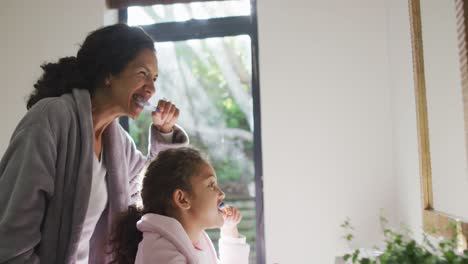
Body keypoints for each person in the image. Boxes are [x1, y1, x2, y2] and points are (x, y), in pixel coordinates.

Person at [0, 24, 188, 263]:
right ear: (108, 73)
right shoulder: (50, 119)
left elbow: (153, 190)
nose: (151, 89)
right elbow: (11, 243)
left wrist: (165, 133)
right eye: (142, 74)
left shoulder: (117, 143)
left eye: (154, 78)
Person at [109, 147, 250, 264]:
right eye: (211, 185)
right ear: (182, 199)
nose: (222, 194)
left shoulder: (193, 243)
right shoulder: (161, 255)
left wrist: (230, 231)